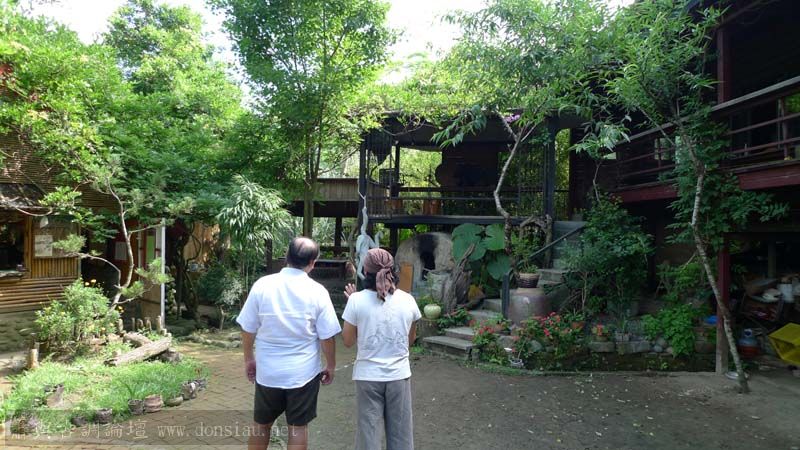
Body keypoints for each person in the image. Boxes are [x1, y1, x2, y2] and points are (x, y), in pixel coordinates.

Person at [237, 237, 341, 450]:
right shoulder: (318, 292)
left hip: (268, 372)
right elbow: (327, 337)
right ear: (312, 263)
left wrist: (249, 359)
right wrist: (330, 365)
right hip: (303, 373)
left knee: (261, 425)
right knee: (298, 428)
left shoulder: (262, 285)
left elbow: (248, 328)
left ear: (287, 256)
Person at [342, 248, 421, 450]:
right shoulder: (408, 300)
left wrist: (355, 308)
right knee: (401, 436)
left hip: (368, 377)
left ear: (365, 272)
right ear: (393, 270)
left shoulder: (356, 300)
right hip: (399, 376)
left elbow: (348, 341)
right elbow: (410, 339)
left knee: (368, 434)